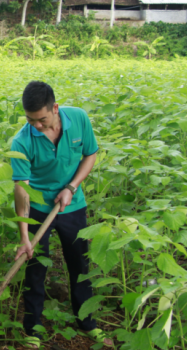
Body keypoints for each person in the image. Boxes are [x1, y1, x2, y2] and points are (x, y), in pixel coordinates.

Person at [10, 81, 113, 349]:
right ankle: (33, 326)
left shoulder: (78, 118)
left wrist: (71, 187)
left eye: (42, 119)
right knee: (35, 267)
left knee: (79, 264)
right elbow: (21, 191)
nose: (37, 126)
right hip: (38, 210)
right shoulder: (22, 141)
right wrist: (24, 236)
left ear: (55, 108)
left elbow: (90, 155)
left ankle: (87, 322)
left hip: (72, 204)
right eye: (31, 120)